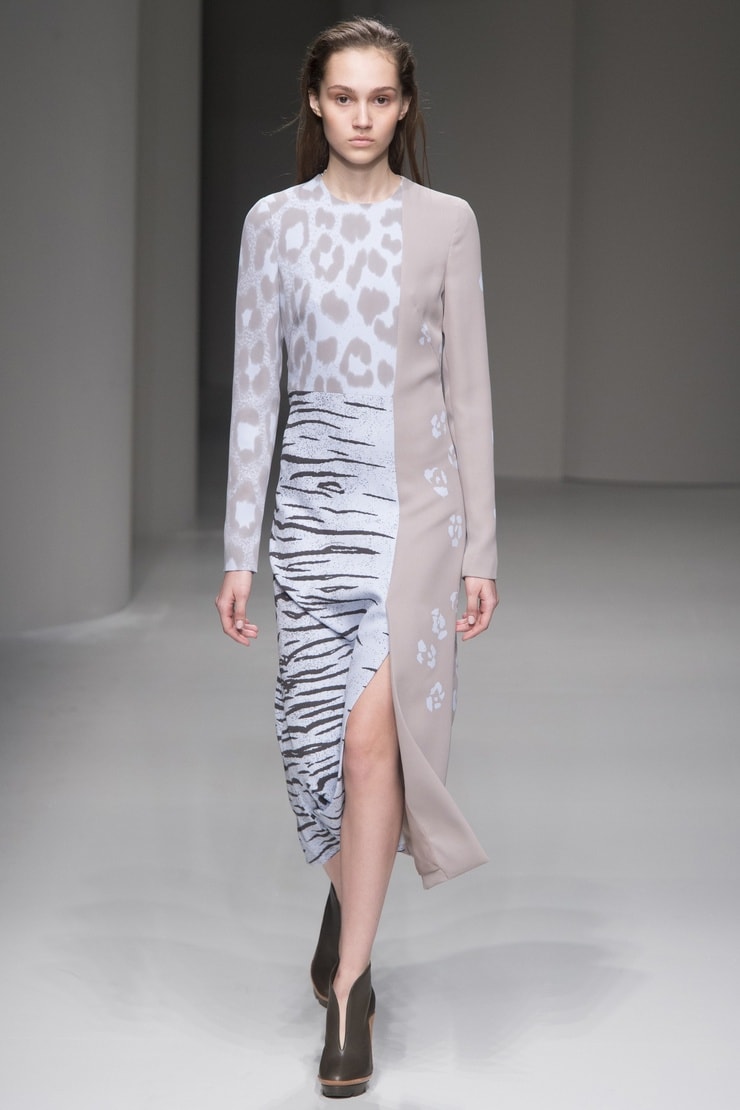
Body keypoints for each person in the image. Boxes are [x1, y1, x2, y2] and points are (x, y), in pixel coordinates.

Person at [215, 16, 498, 1099]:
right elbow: (256, 391)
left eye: (381, 98)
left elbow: (469, 392)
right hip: (311, 515)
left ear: (404, 105)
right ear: (316, 101)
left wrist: (479, 547)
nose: (363, 117)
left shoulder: (446, 223)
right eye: (344, 97)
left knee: (372, 744)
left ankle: (349, 993)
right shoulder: (274, 225)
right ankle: (351, 896)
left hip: (415, 514)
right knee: (314, 750)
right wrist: (240, 548)